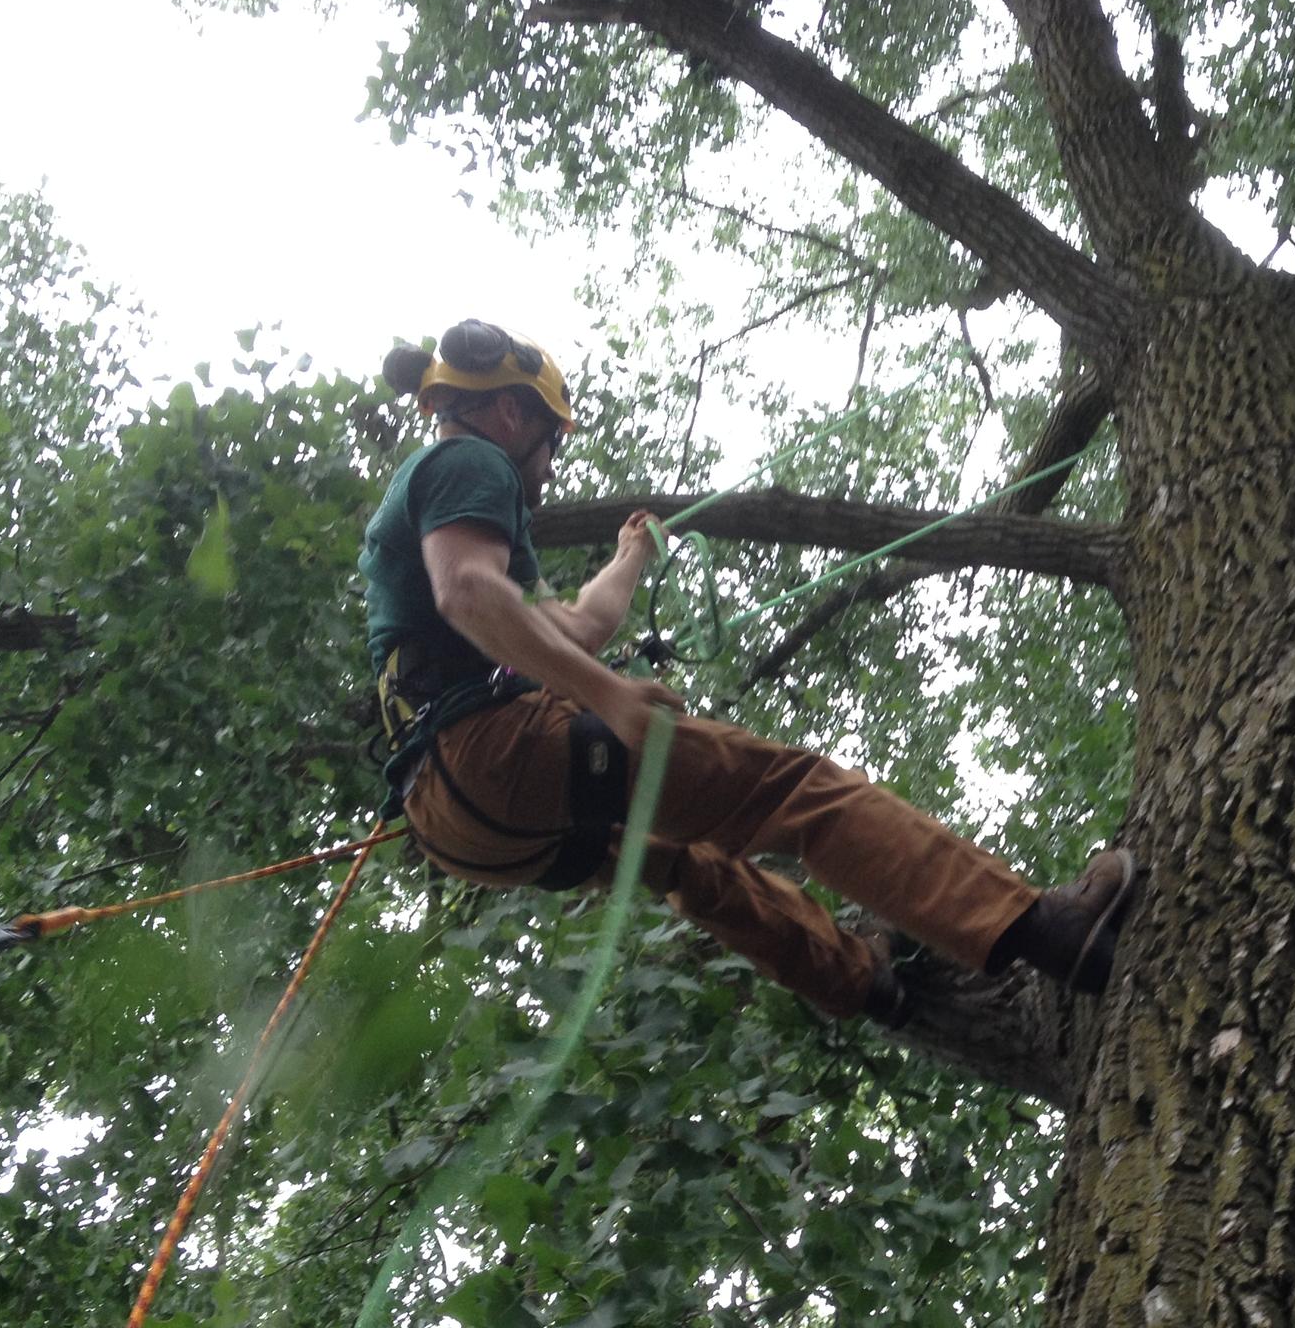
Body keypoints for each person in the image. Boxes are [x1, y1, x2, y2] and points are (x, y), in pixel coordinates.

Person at [362, 320, 1135, 1026]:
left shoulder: (479, 529)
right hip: (492, 751)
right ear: (510, 414)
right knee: (793, 791)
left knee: (691, 862)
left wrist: (630, 556)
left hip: (462, 823)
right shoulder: (471, 460)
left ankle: (861, 981)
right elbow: (465, 592)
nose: (549, 466)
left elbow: (576, 627)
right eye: (553, 442)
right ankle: (1047, 927)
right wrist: (611, 699)